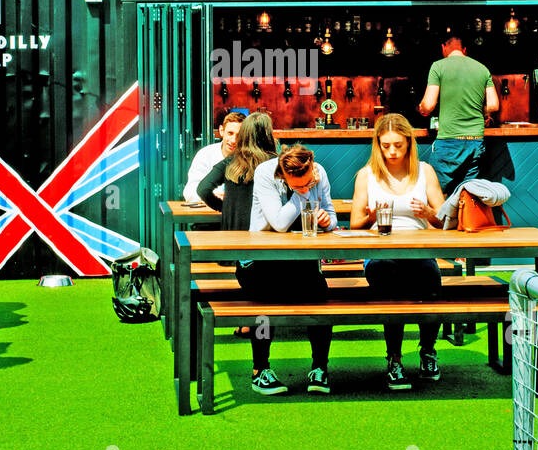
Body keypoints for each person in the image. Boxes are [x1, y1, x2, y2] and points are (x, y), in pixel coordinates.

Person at [350, 113, 448, 390]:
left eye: (398, 145)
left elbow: (444, 219)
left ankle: (428, 350)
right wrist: (371, 217)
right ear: (378, 145)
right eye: (386, 145)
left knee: (430, 277)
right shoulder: (366, 175)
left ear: (409, 143)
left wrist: (429, 213)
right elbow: (355, 223)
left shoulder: (424, 171)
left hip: (418, 249)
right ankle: (394, 359)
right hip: (380, 250)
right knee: (387, 279)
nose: (392, 151)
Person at [231, 141, 337, 395]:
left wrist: (326, 221)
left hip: (298, 261)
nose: (303, 185)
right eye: (295, 182)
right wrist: (301, 194)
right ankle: (260, 370)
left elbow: (332, 216)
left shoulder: (319, 173)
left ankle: (320, 367)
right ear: (283, 171)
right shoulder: (266, 172)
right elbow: (278, 223)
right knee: (265, 304)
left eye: (306, 181)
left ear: (311, 166)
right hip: (258, 262)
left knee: (320, 296)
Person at [418, 28, 499, 197]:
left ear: (443, 47)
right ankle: (464, 223)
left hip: (449, 140)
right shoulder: (482, 68)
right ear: (464, 50)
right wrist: (480, 110)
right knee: (468, 196)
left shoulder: (438, 66)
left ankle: (438, 224)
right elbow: (493, 105)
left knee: (434, 194)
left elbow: (428, 104)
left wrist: (422, 108)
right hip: (476, 141)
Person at [183, 111, 245, 201]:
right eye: (230, 133)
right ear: (221, 131)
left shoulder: (249, 158)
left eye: (239, 135)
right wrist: (212, 196)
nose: (233, 140)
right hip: (210, 211)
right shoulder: (205, 154)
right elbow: (189, 192)